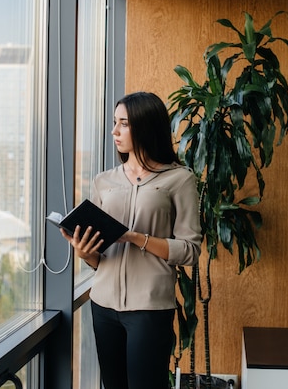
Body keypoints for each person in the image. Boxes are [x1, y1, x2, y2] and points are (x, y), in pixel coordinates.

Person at [59, 91, 202, 389]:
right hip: (103, 305)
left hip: (149, 309)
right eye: (115, 122)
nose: (115, 131)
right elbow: (100, 259)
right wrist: (84, 252)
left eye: (123, 123)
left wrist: (136, 237)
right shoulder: (103, 181)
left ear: (146, 126)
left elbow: (189, 251)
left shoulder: (179, 179)